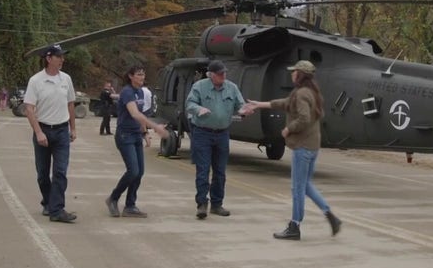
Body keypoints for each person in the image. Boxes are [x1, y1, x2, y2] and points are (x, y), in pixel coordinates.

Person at [245, 60, 341, 240]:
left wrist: (289, 129)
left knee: (297, 188)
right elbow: (285, 103)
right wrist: (259, 104)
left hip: (303, 148)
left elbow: (303, 118)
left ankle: (294, 226)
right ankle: (331, 217)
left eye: (294, 71)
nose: (291, 74)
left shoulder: (303, 94)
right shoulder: (311, 92)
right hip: (312, 147)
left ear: (301, 74)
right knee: (306, 186)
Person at [185, 60, 253, 220]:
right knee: (203, 170)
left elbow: (240, 105)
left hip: (222, 133)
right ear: (211, 75)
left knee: (220, 171)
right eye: (220, 73)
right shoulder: (200, 86)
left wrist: (245, 111)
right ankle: (202, 203)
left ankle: (217, 204)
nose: (223, 75)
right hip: (202, 133)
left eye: (224, 73)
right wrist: (198, 109)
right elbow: (189, 104)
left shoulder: (231, 87)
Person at [23, 43, 78, 223]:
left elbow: (70, 104)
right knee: (42, 174)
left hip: (61, 130)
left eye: (63, 56)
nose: (62, 60)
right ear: (48, 59)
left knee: (60, 172)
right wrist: (38, 132)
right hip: (43, 129)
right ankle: (48, 201)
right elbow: (29, 109)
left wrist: (73, 128)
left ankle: (57, 209)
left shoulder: (66, 79)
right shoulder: (36, 81)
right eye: (59, 56)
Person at [105, 65, 169, 218]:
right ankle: (113, 198)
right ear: (131, 76)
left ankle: (130, 206)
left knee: (139, 172)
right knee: (132, 170)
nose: (142, 77)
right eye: (139, 74)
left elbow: (140, 115)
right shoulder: (127, 92)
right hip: (124, 136)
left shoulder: (140, 92)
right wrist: (155, 127)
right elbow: (134, 113)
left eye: (143, 74)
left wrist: (145, 132)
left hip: (135, 135)